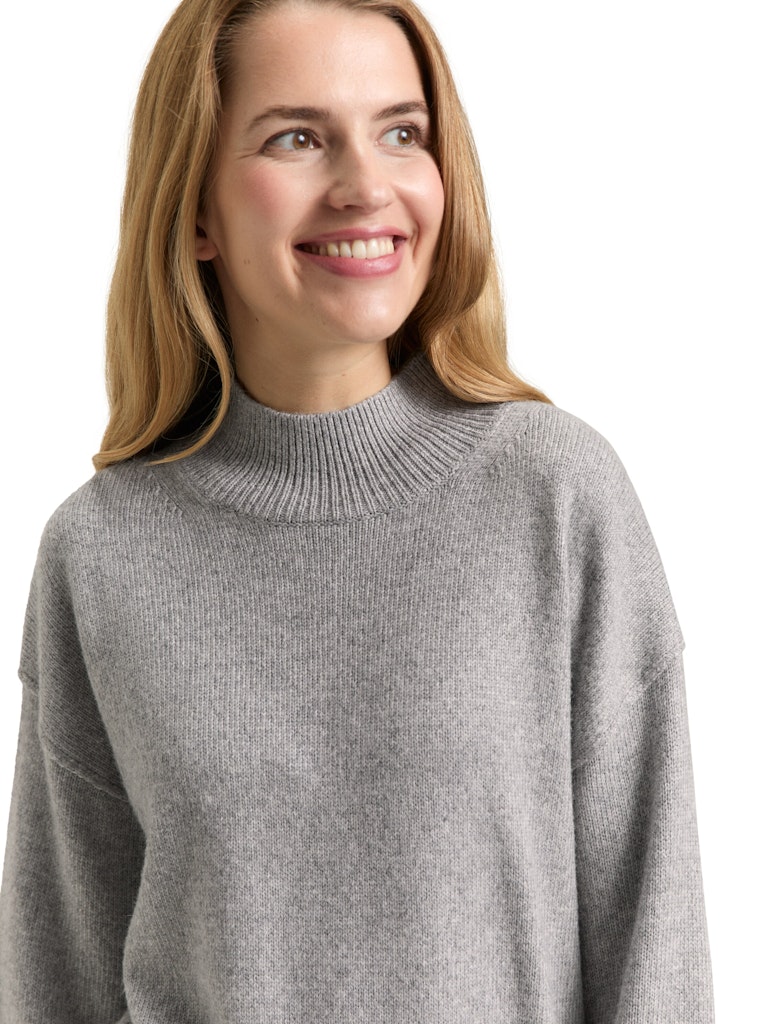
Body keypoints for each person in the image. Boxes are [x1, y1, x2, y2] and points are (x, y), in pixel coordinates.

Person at [0, 0, 714, 1020]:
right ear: (194, 208)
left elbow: (655, 956)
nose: (366, 185)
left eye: (401, 133)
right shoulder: (101, 551)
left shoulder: (556, 498)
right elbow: (53, 978)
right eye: (296, 138)